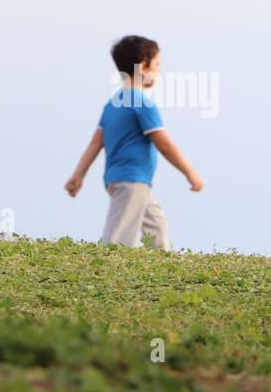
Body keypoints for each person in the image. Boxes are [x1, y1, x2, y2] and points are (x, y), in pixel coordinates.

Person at [63, 35, 202, 248]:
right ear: (144, 67)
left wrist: (77, 176)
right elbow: (164, 144)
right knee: (119, 237)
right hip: (131, 181)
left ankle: (161, 270)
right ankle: (106, 268)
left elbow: (95, 143)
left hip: (129, 181)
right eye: (158, 65)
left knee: (157, 228)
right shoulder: (142, 104)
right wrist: (190, 173)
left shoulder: (113, 104)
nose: (159, 71)